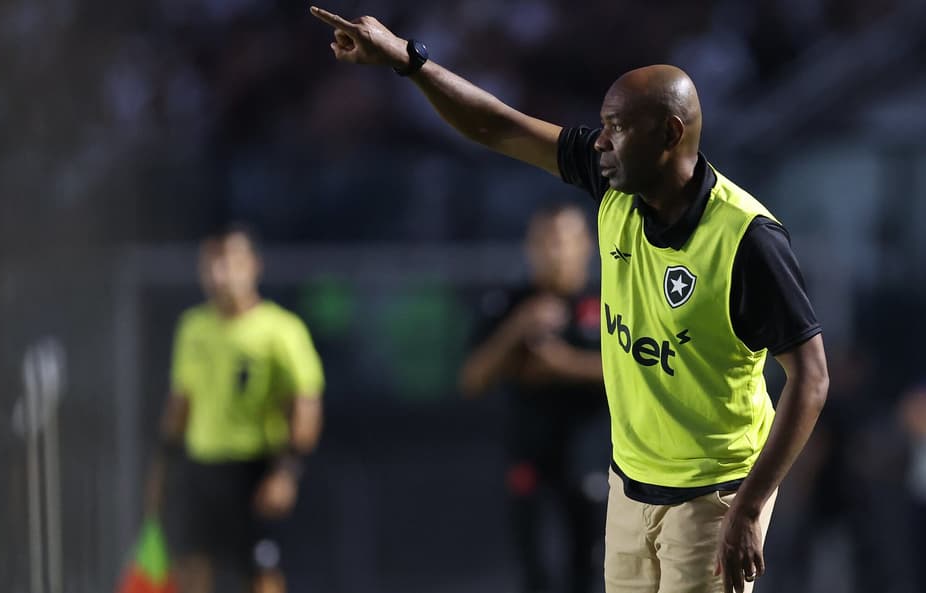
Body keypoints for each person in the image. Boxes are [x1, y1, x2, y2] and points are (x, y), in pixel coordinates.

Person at [309, 7, 829, 593]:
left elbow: (810, 378)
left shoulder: (746, 239)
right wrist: (410, 60)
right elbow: (498, 126)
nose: (601, 141)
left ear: (670, 133)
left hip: (714, 495)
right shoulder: (610, 181)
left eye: (617, 127)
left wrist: (752, 505)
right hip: (628, 485)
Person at [146, 225, 325, 593]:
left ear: (254, 266)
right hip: (202, 468)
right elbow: (181, 402)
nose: (218, 275)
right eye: (210, 265)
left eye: (228, 263)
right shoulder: (193, 328)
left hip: (253, 469)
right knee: (193, 566)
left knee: (259, 570)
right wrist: (163, 468)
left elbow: (306, 406)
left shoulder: (281, 331)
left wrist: (286, 472)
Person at [460, 203, 608, 593]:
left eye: (560, 240)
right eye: (541, 241)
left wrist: (566, 365)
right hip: (530, 461)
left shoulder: (610, 301)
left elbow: (637, 375)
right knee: (535, 571)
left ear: (585, 246)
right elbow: (473, 379)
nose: (551, 252)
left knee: (590, 574)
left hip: (593, 461)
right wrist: (516, 329)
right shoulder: (510, 304)